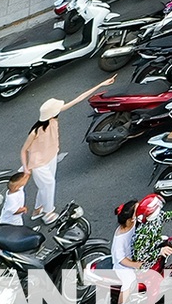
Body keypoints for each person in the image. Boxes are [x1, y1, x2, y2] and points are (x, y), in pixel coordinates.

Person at [19, 79, 112, 215]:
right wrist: (26, 168)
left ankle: (38, 210)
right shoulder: (35, 131)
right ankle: (48, 212)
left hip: (51, 157)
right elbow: (23, 150)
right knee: (49, 184)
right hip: (38, 164)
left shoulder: (51, 119)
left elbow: (78, 99)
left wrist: (100, 84)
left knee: (45, 187)